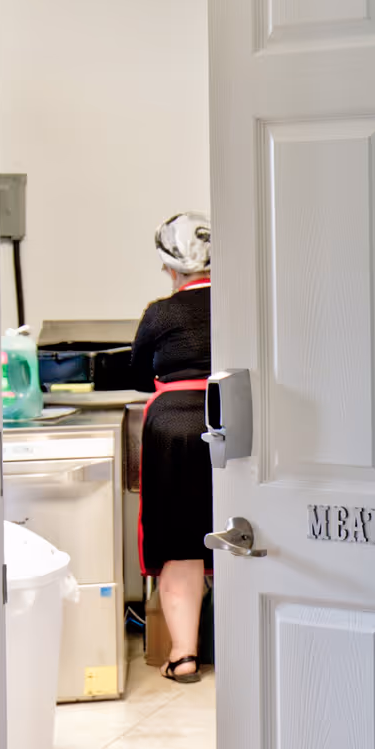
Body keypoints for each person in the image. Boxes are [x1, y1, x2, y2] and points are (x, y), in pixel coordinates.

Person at [131, 212, 214, 683]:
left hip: (171, 432)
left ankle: (184, 657)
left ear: (170, 267)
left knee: (180, 545)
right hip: (231, 423)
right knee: (241, 537)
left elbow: (140, 376)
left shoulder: (160, 313)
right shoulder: (244, 305)